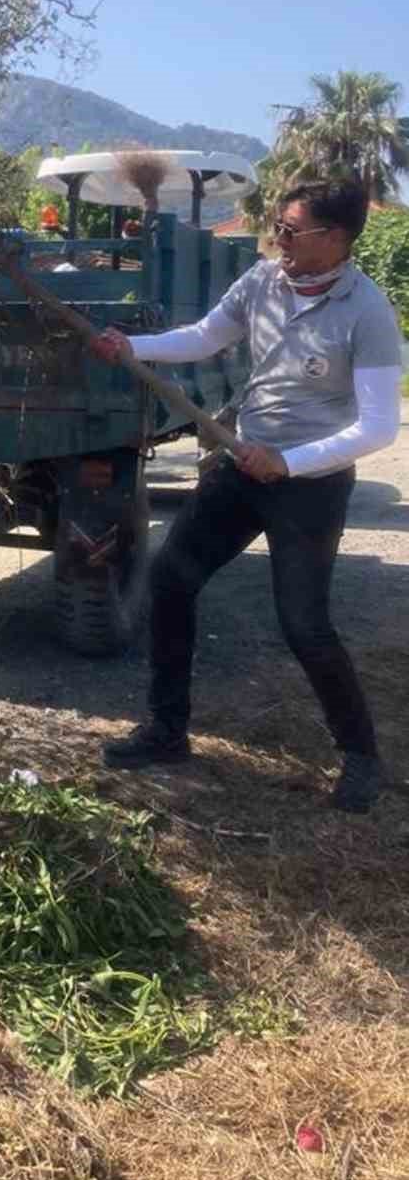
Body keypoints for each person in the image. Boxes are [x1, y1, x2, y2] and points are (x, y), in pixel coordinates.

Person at [90, 179, 403, 813]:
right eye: (278, 228)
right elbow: (205, 337)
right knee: (172, 580)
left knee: (305, 625)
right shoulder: (264, 280)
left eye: (292, 230)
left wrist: (289, 463)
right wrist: (133, 347)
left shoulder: (367, 313)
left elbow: (376, 426)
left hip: (308, 484)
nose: (279, 240)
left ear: (335, 239)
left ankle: (362, 757)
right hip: (243, 461)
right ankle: (167, 730)